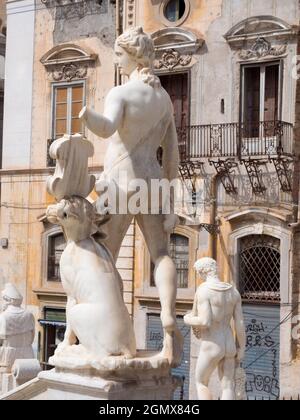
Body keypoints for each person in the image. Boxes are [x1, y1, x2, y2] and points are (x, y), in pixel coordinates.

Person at [79, 27, 182, 365]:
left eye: (120, 54)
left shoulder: (120, 92)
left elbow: (107, 128)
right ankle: (168, 317)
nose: (117, 60)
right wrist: (171, 199)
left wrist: (85, 116)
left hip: (119, 183)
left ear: (134, 56)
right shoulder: (164, 98)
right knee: (162, 254)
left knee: (103, 256)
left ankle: (102, 331)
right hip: (151, 182)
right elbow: (172, 156)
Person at [184, 258, 246, 400]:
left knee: (201, 382)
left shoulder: (204, 291)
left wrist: (187, 319)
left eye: (198, 273)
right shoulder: (233, 291)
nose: (198, 276)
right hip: (229, 343)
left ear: (203, 271)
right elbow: (240, 323)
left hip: (212, 343)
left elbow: (205, 321)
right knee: (228, 384)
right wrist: (242, 347)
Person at [0, 283, 35, 373]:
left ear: (8, 301)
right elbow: (32, 337)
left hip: (8, 355)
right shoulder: (29, 315)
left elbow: (1, 340)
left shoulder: (3, 317)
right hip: (27, 353)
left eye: (3, 299)